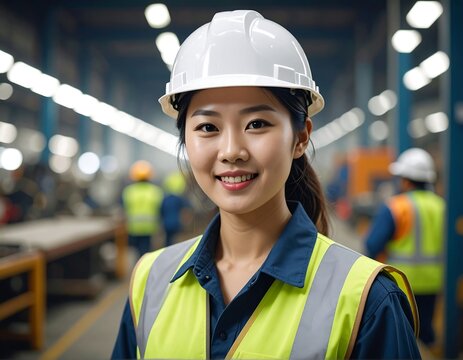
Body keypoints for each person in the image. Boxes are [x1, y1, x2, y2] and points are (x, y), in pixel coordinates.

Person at [112, 10, 420, 359]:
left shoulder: (368, 301)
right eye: (208, 127)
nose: (231, 152)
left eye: (257, 123)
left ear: (301, 137)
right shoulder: (149, 283)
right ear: (185, 138)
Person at [364, 147, 444, 349]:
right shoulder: (441, 206)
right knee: (425, 330)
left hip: (401, 283)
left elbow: (372, 244)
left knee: (403, 335)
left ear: (406, 180)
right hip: (434, 281)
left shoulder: (397, 206)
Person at [122, 160, 163, 258]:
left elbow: (124, 208)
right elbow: (160, 209)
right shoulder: (156, 191)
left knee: (134, 252)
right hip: (149, 228)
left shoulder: (128, 191)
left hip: (133, 228)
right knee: (145, 252)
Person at [160, 171, 191, 247]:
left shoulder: (165, 199)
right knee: (176, 241)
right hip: (177, 223)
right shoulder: (180, 200)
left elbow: (161, 212)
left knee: (168, 241)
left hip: (166, 224)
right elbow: (186, 210)